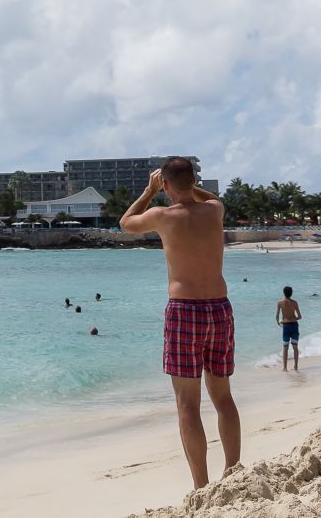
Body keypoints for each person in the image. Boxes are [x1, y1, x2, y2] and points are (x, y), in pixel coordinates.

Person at [120, 159, 239, 490]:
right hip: (219, 308)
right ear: (194, 181)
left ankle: (201, 486)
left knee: (188, 404)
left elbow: (126, 222)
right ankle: (234, 470)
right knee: (223, 398)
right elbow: (204, 196)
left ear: (165, 184)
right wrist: (182, 185)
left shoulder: (162, 216)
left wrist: (149, 190)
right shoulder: (214, 209)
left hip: (185, 310)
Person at [276, 286, 302, 372]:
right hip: (294, 325)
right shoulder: (295, 302)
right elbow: (299, 316)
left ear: (284, 293)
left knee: (285, 347)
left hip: (286, 326)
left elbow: (277, 316)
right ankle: (296, 366)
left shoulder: (280, 303)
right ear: (291, 293)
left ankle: (285, 368)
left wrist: (279, 322)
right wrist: (293, 319)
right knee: (295, 347)